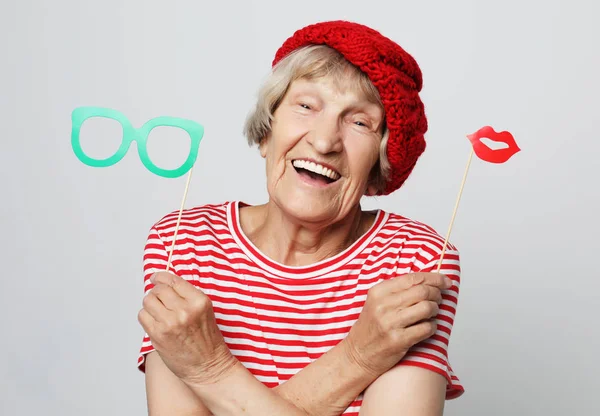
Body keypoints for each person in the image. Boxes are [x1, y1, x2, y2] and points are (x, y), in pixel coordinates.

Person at [136, 20, 463, 416]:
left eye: (359, 122)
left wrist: (207, 371)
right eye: (306, 106)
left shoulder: (415, 261)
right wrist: (358, 358)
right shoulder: (184, 243)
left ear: (379, 170)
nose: (324, 141)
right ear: (265, 133)